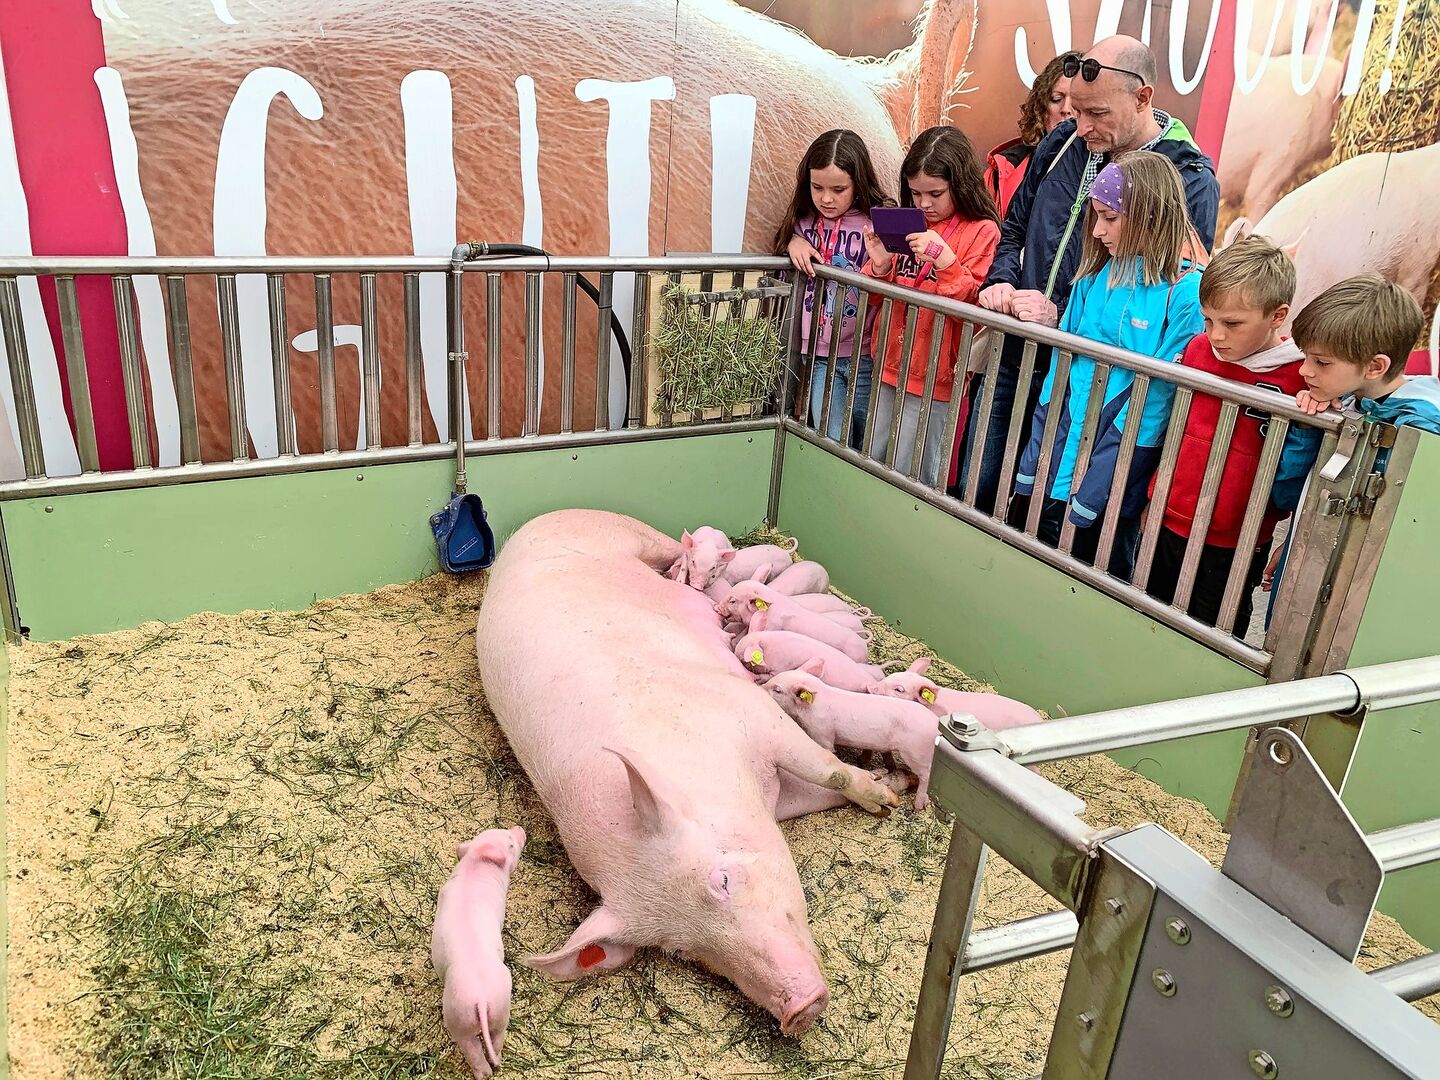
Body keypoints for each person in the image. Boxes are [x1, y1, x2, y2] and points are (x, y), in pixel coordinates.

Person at [963, 35, 1220, 516]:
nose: (1080, 126)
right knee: (980, 485)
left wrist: (1062, 318)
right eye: (1076, 110)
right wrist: (1002, 279)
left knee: (1055, 512)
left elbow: (1171, 284)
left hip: (1094, 388)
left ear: (1142, 97)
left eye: (1096, 113)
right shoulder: (1063, 140)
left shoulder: (1189, 175)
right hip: (1018, 349)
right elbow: (1015, 225)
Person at [1012, 151, 1205, 581]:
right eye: (1096, 217)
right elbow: (1062, 363)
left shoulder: (1185, 291)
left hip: (1120, 450)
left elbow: (1159, 397)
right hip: (1062, 438)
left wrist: (1110, 463)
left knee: (1097, 561)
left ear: (1149, 215)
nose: (1098, 231)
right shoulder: (1092, 276)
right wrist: (1039, 439)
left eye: (1110, 218)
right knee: (1036, 545)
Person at [1144, 236, 1321, 636]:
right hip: (1166, 518)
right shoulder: (1197, 350)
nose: (1216, 335)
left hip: (1235, 539)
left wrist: (1315, 407)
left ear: (1277, 315)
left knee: (1213, 633)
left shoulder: (1299, 377)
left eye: (1232, 323)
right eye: (1208, 320)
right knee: (1149, 615)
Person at [1263, 274, 1436, 623]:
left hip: (1368, 595)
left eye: (1321, 362)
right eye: (1306, 357)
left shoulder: (1421, 429)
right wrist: (1307, 427)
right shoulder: (1344, 404)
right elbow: (1289, 494)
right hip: (1311, 565)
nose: (1304, 370)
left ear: (1374, 366)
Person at [860, 126, 1000, 486]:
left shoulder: (982, 230)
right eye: (915, 192)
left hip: (938, 374)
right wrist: (879, 266)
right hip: (890, 362)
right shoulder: (908, 222)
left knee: (918, 473)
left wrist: (945, 261)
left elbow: (976, 304)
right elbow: (873, 298)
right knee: (873, 459)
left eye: (935, 193)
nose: (924, 203)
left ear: (961, 185)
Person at [774, 129, 892, 447]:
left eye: (838, 189)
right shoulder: (802, 223)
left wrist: (882, 265)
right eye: (817, 188)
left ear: (859, 183)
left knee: (868, 443)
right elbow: (783, 254)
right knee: (831, 441)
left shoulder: (875, 224)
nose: (826, 199)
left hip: (864, 355)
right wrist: (792, 242)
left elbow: (890, 282)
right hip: (818, 355)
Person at [984, 51, 1078, 218]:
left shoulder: (1110, 168)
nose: (1066, 109)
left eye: (1077, 100)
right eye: (1056, 99)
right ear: (1041, 107)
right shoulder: (1006, 168)